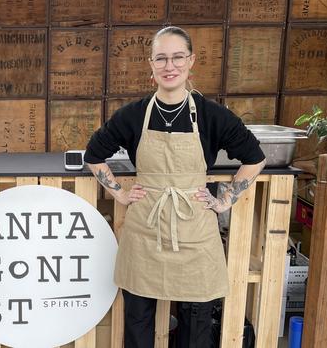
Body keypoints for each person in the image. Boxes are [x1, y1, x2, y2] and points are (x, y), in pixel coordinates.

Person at [84, 26, 266, 347]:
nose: (170, 66)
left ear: (191, 60)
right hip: (145, 233)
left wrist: (224, 200)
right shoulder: (134, 114)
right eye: (162, 58)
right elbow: (94, 155)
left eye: (178, 57)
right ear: (151, 64)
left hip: (194, 233)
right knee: (138, 325)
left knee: (195, 328)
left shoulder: (212, 115)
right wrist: (120, 193)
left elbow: (254, 158)